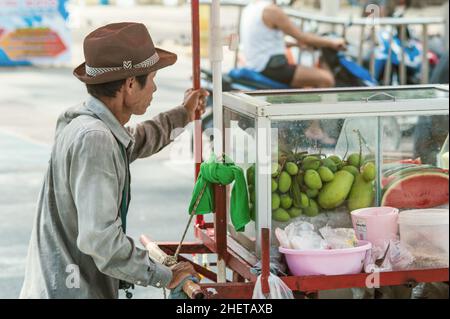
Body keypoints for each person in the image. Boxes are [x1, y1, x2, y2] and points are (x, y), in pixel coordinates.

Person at [20, 22, 208, 299]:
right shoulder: (95, 139)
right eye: (152, 78)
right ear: (130, 84)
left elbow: (136, 140)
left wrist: (183, 114)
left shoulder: (86, 125)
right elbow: (102, 240)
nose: (155, 88)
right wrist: (164, 276)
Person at [240, 0, 346, 89]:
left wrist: (295, 44)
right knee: (327, 79)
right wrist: (332, 42)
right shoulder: (271, 10)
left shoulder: (251, 7)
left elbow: (263, 39)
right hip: (272, 67)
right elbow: (303, 36)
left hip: (256, 64)